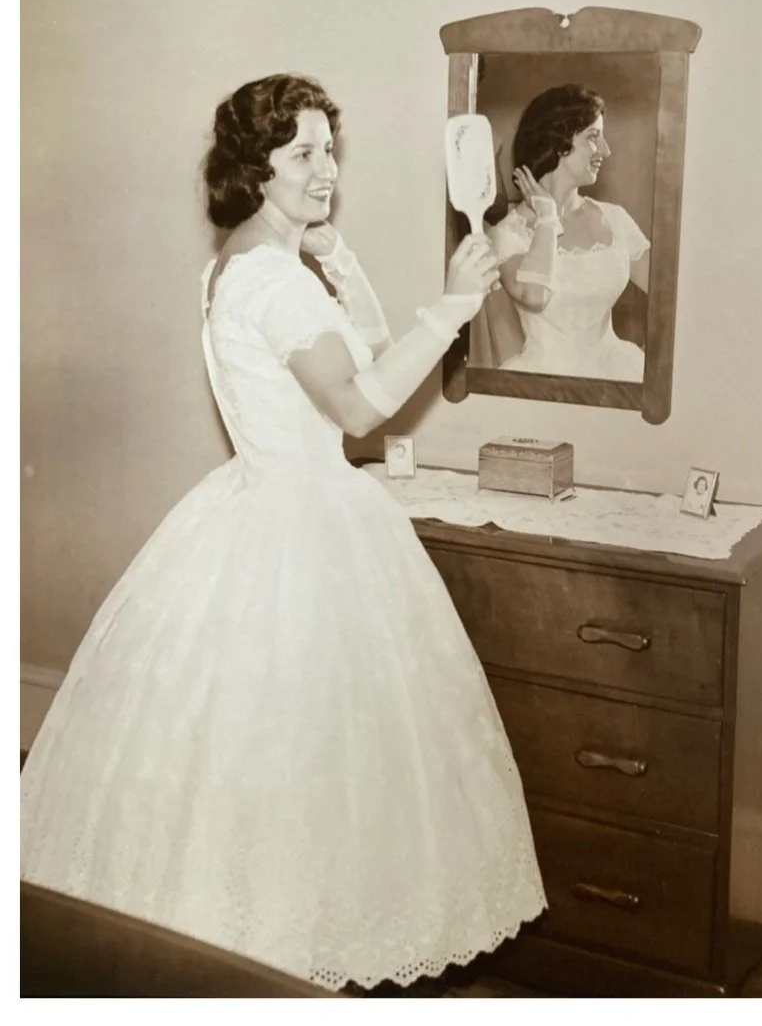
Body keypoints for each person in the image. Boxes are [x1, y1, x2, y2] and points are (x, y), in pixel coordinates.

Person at [20, 73, 547, 993]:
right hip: (301, 521)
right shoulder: (270, 280)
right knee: (309, 763)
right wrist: (454, 307)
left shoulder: (243, 262)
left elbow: (365, 345)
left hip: (259, 502)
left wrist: (339, 254)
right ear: (253, 167)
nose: (325, 169)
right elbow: (360, 408)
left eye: (328, 149)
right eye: (301, 153)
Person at [480, 83, 651, 380]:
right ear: (559, 143)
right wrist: (547, 218)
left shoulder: (615, 219)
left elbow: (674, 297)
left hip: (620, 373)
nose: (606, 150)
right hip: (541, 382)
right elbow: (535, 296)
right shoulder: (507, 234)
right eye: (593, 137)